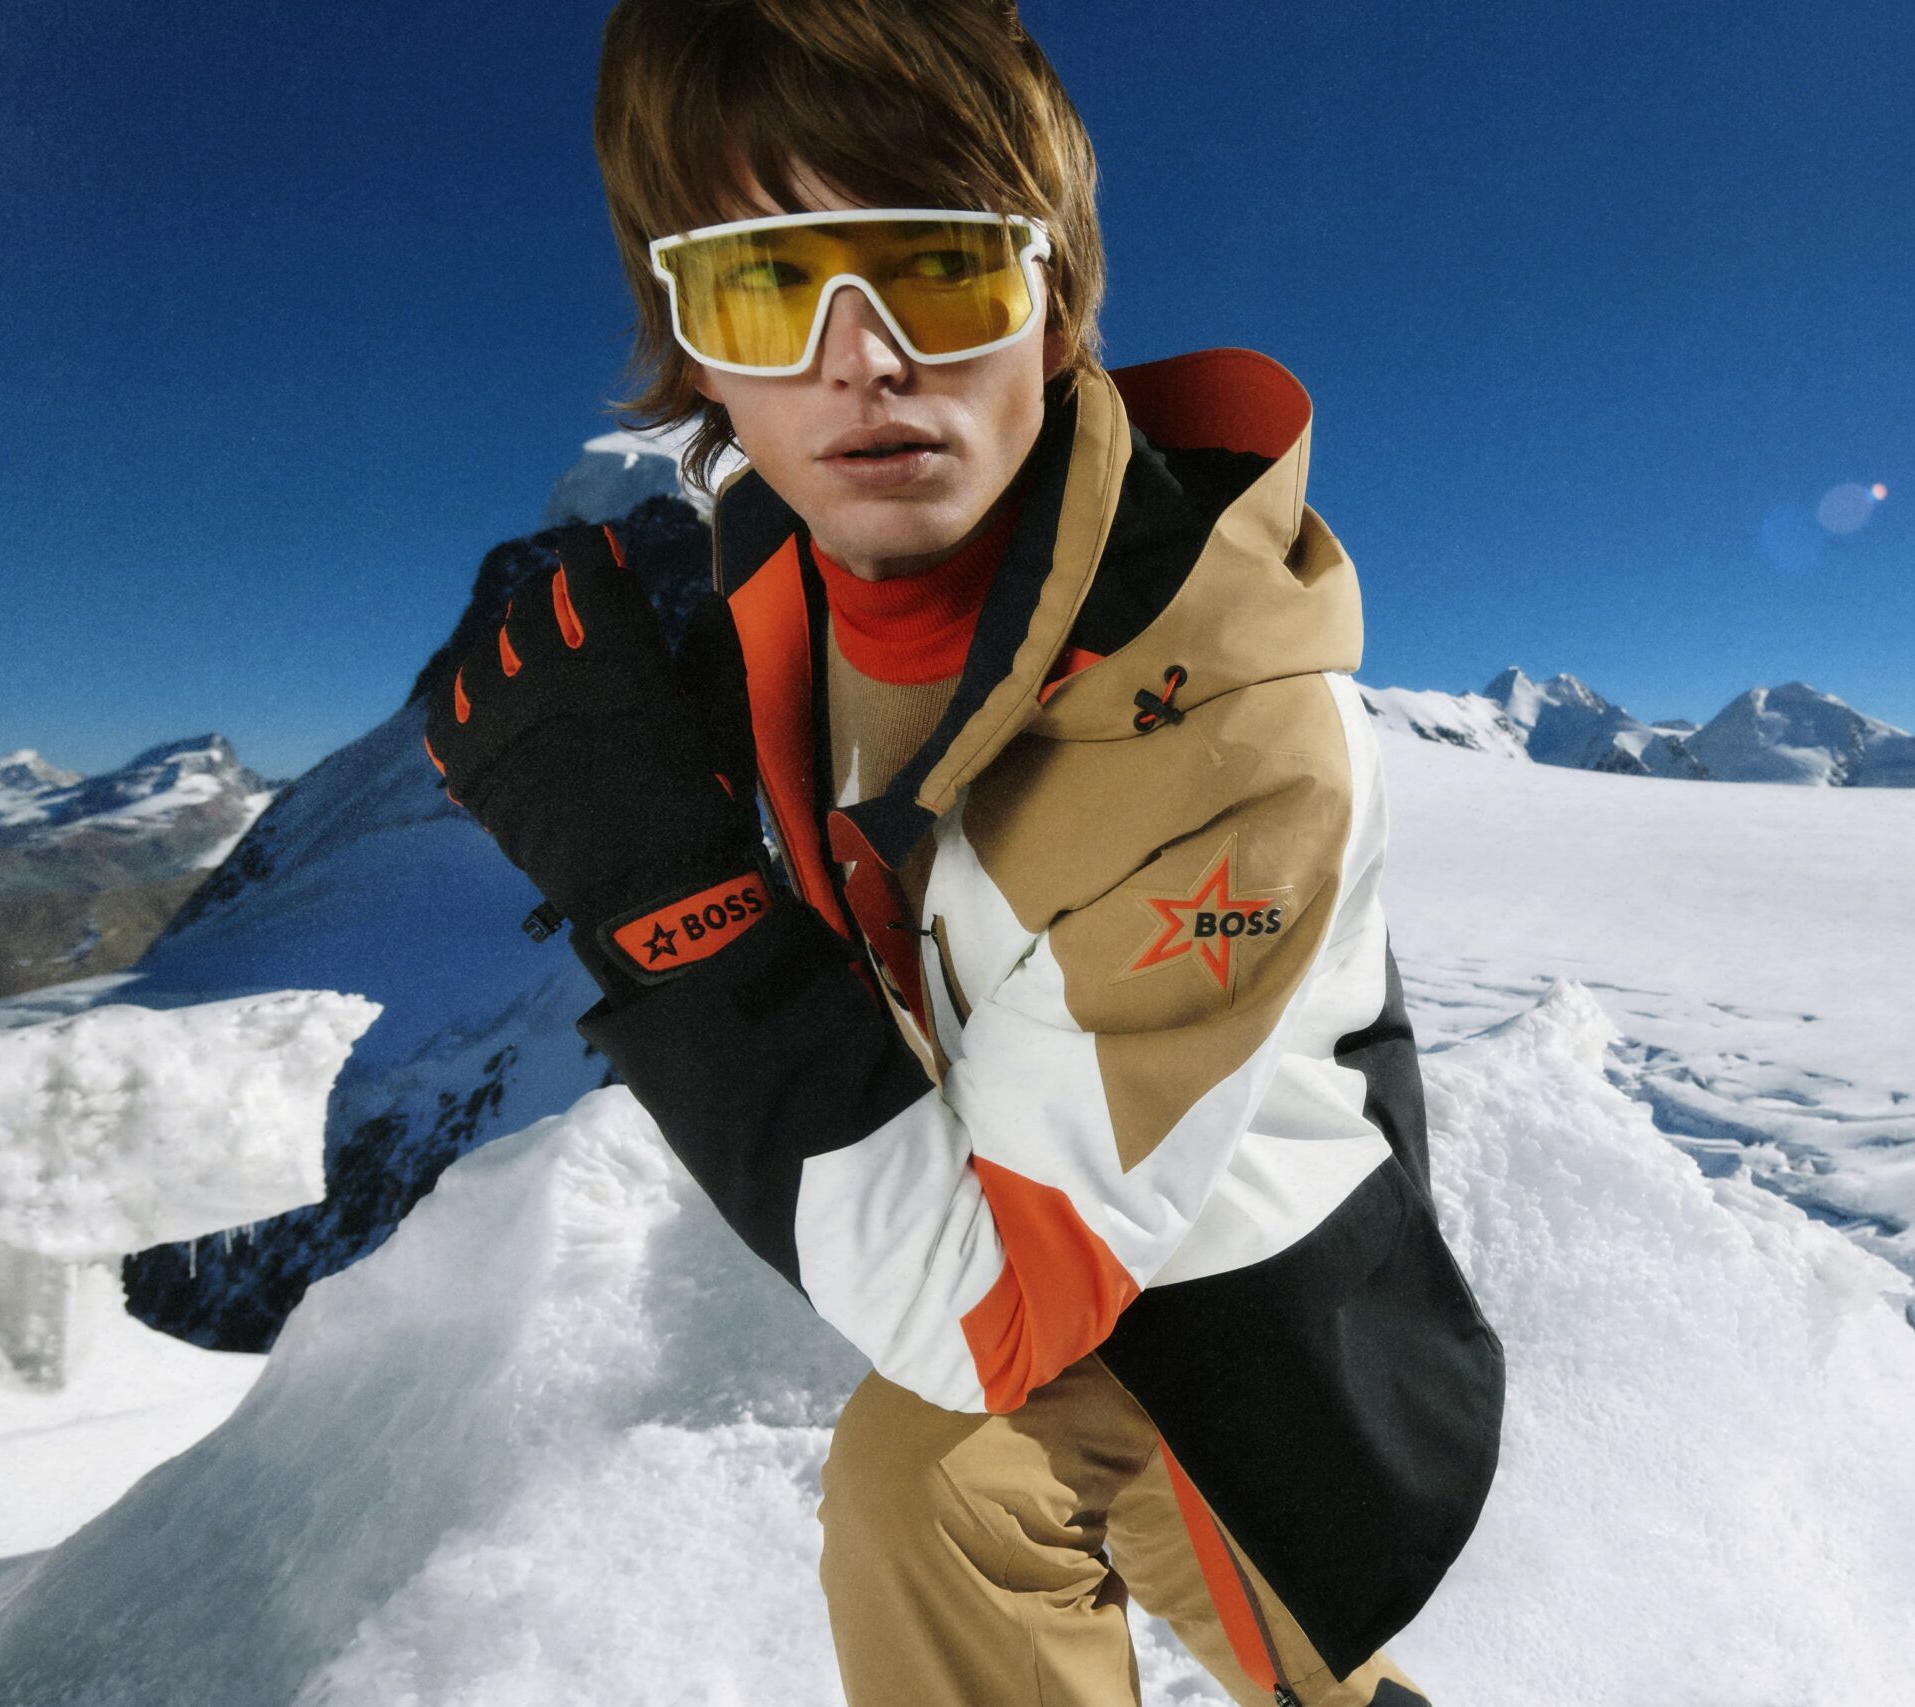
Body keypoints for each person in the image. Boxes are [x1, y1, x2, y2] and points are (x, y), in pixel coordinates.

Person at [423, 2, 1504, 1702]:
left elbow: (981, 1310)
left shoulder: (1238, 742)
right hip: (1058, 1206)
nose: (861, 361)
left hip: (1256, 1323)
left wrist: (662, 890)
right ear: (693, 352)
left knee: (1222, 1614)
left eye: (941, 270)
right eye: (764, 288)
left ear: (1054, 308)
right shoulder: (784, 567)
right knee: (926, 1500)